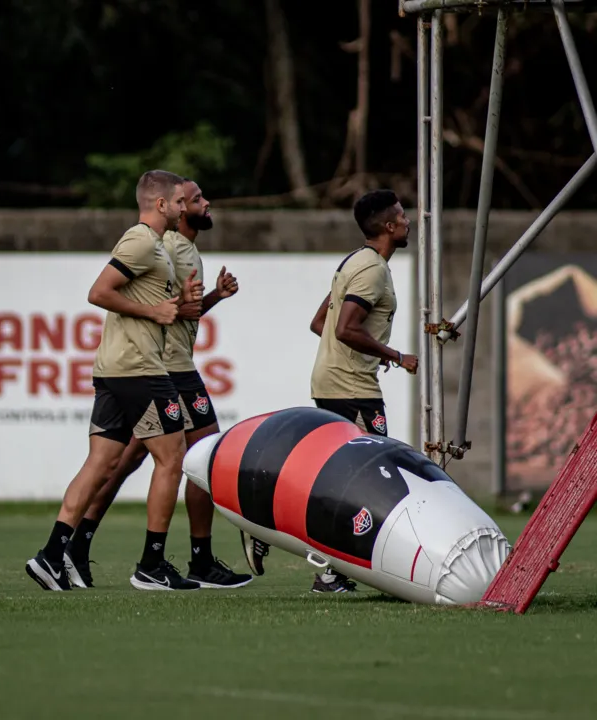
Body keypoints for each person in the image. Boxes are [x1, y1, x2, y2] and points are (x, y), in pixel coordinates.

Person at [62, 178, 252, 590]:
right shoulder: (168, 247)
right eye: (195, 199)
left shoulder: (181, 248)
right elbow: (169, 308)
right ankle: (187, 560)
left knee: (123, 460)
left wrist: (213, 297)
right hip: (168, 367)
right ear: (177, 208)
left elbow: (181, 308)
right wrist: (186, 305)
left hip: (166, 365)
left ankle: (74, 547)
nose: (204, 203)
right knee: (201, 457)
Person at [25, 169, 204, 591]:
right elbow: (99, 291)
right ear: (161, 204)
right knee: (173, 456)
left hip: (117, 369)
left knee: (102, 463)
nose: (184, 208)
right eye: (179, 202)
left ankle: (51, 557)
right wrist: (156, 312)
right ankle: (152, 565)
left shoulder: (156, 247)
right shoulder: (141, 240)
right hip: (139, 369)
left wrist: (182, 305)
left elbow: (150, 303)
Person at [240, 188, 418, 593]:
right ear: (389, 227)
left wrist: (349, 352)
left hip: (338, 379)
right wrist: (395, 355)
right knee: (371, 478)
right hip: (351, 386)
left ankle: (331, 572)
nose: (409, 221)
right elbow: (342, 327)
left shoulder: (353, 262)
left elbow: (321, 321)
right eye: (403, 216)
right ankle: (310, 559)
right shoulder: (371, 270)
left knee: (344, 476)